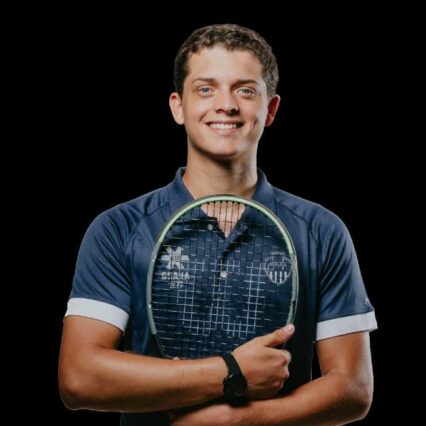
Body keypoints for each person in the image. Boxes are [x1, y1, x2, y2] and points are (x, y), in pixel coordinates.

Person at [59, 24, 377, 425]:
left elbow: (353, 388)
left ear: (270, 109)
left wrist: (235, 421)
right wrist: (231, 372)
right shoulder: (118, 228)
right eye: (206, 89)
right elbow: (79, 378)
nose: (226, 105)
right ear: (178, 106)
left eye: (245, 90)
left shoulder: (321, 230)